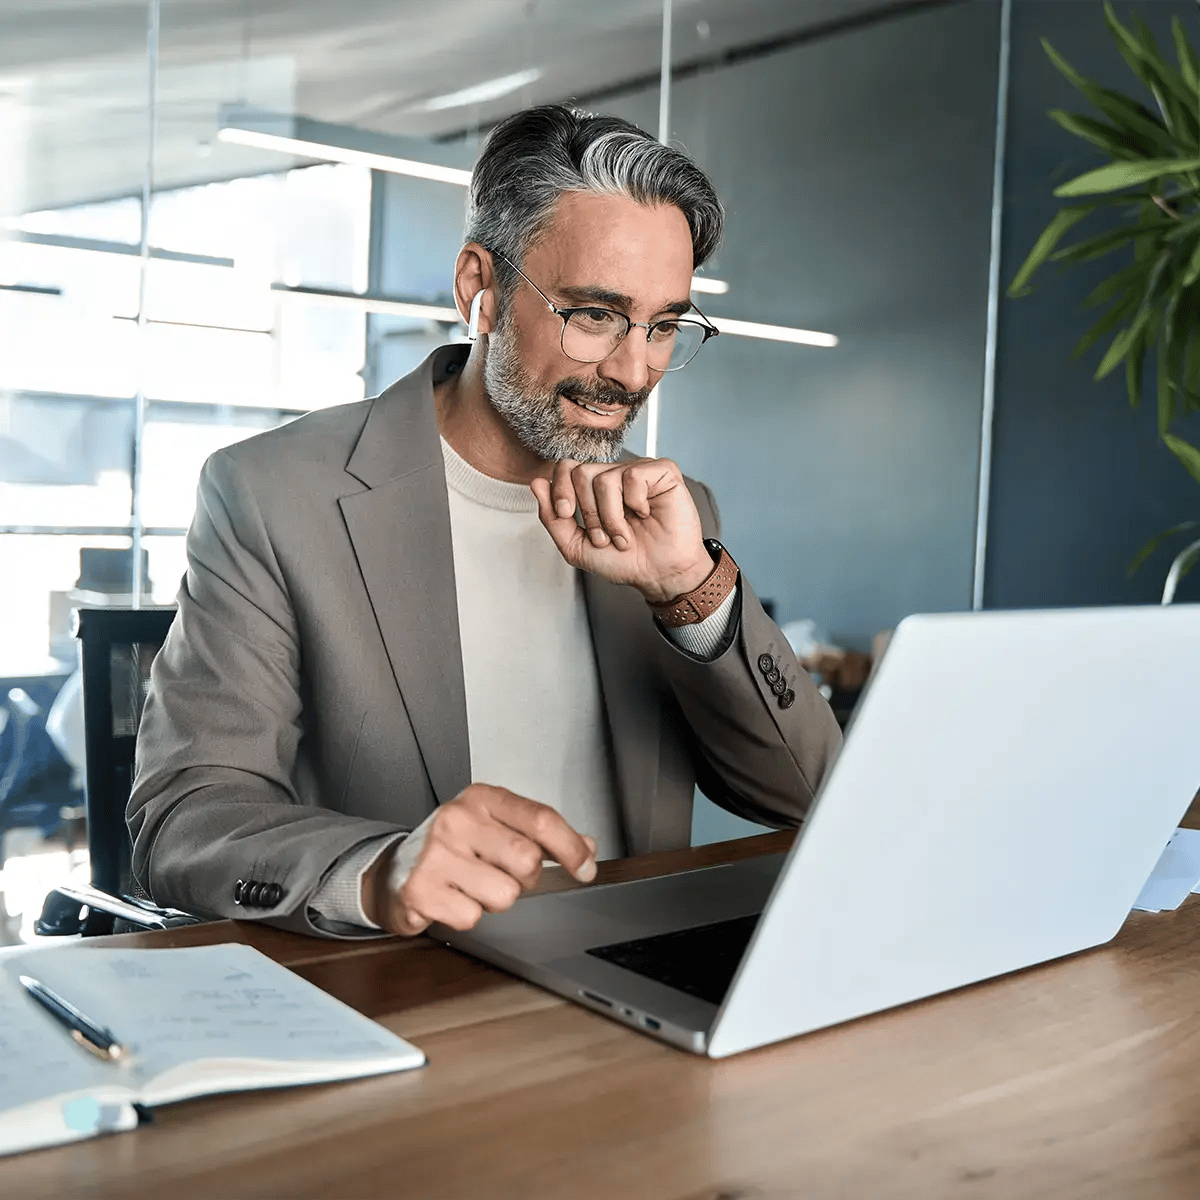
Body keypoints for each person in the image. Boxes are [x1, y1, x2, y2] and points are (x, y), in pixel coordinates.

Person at [128, 105, 841, 939]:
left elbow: (803, 793)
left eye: (664, 326)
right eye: (595, 315)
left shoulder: (672, 519)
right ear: (480, 288)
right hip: (404, 997)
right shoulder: (273, 495)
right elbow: (183, 815)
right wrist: (379, 869)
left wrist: (689, 589)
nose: (633, 369)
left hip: (628, 991)